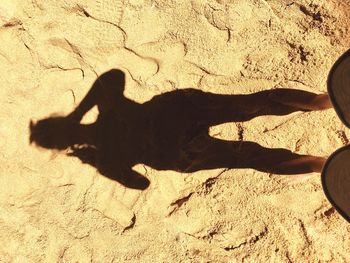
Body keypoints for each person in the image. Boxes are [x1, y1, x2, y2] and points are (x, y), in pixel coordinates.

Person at [30, 69, 332, 190]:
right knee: (253, 105)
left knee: (249, 155)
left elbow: (140, 183)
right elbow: (112, 77)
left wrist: (98, 161)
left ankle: (321, 164)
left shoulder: (107, 158)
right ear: (61, 122)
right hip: (175, 118)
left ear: (62, 148)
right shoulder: (106, 113)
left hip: (176, 149)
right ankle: (324, 103)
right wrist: (79, 113)